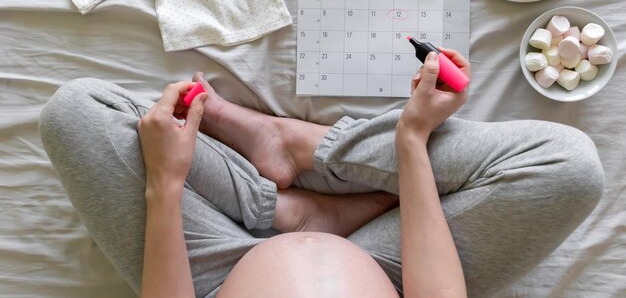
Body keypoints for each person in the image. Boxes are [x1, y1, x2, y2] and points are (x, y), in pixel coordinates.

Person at [39, 48, 604, 298]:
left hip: (211, 278)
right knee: (568, 169)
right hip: (396, 272)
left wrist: (166, 183)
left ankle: (283, 193)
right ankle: (310, 154)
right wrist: (409, 137)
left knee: (77, 113)